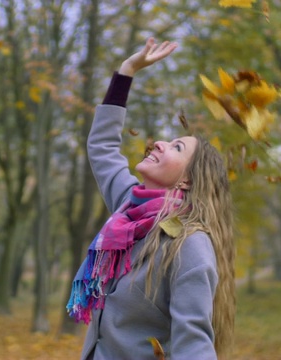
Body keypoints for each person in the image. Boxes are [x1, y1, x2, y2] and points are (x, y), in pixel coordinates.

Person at [67, 37, 236, 360]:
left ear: (187, 179)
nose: (159, 143)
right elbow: (102, 146)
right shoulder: (128, 208)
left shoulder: (190, 245)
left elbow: (194, 343)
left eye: (177, 148)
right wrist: (127, 71)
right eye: (168, 140)